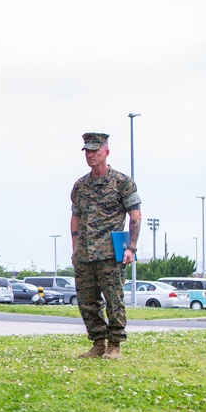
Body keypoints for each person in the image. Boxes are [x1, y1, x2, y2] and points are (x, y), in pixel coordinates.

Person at [71, 132, 140, 360]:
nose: (91, 155)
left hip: (111, 253)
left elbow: (135, 216)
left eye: (95, 151)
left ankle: (115, 345)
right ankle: (98, 343)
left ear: (106, 152)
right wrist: (74, 249)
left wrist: (131, 247)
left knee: (114, 300)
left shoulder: (122, 182)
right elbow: (76, 218)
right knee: (87, 302)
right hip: (84, 254)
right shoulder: (80, 186)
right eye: (87, 151)